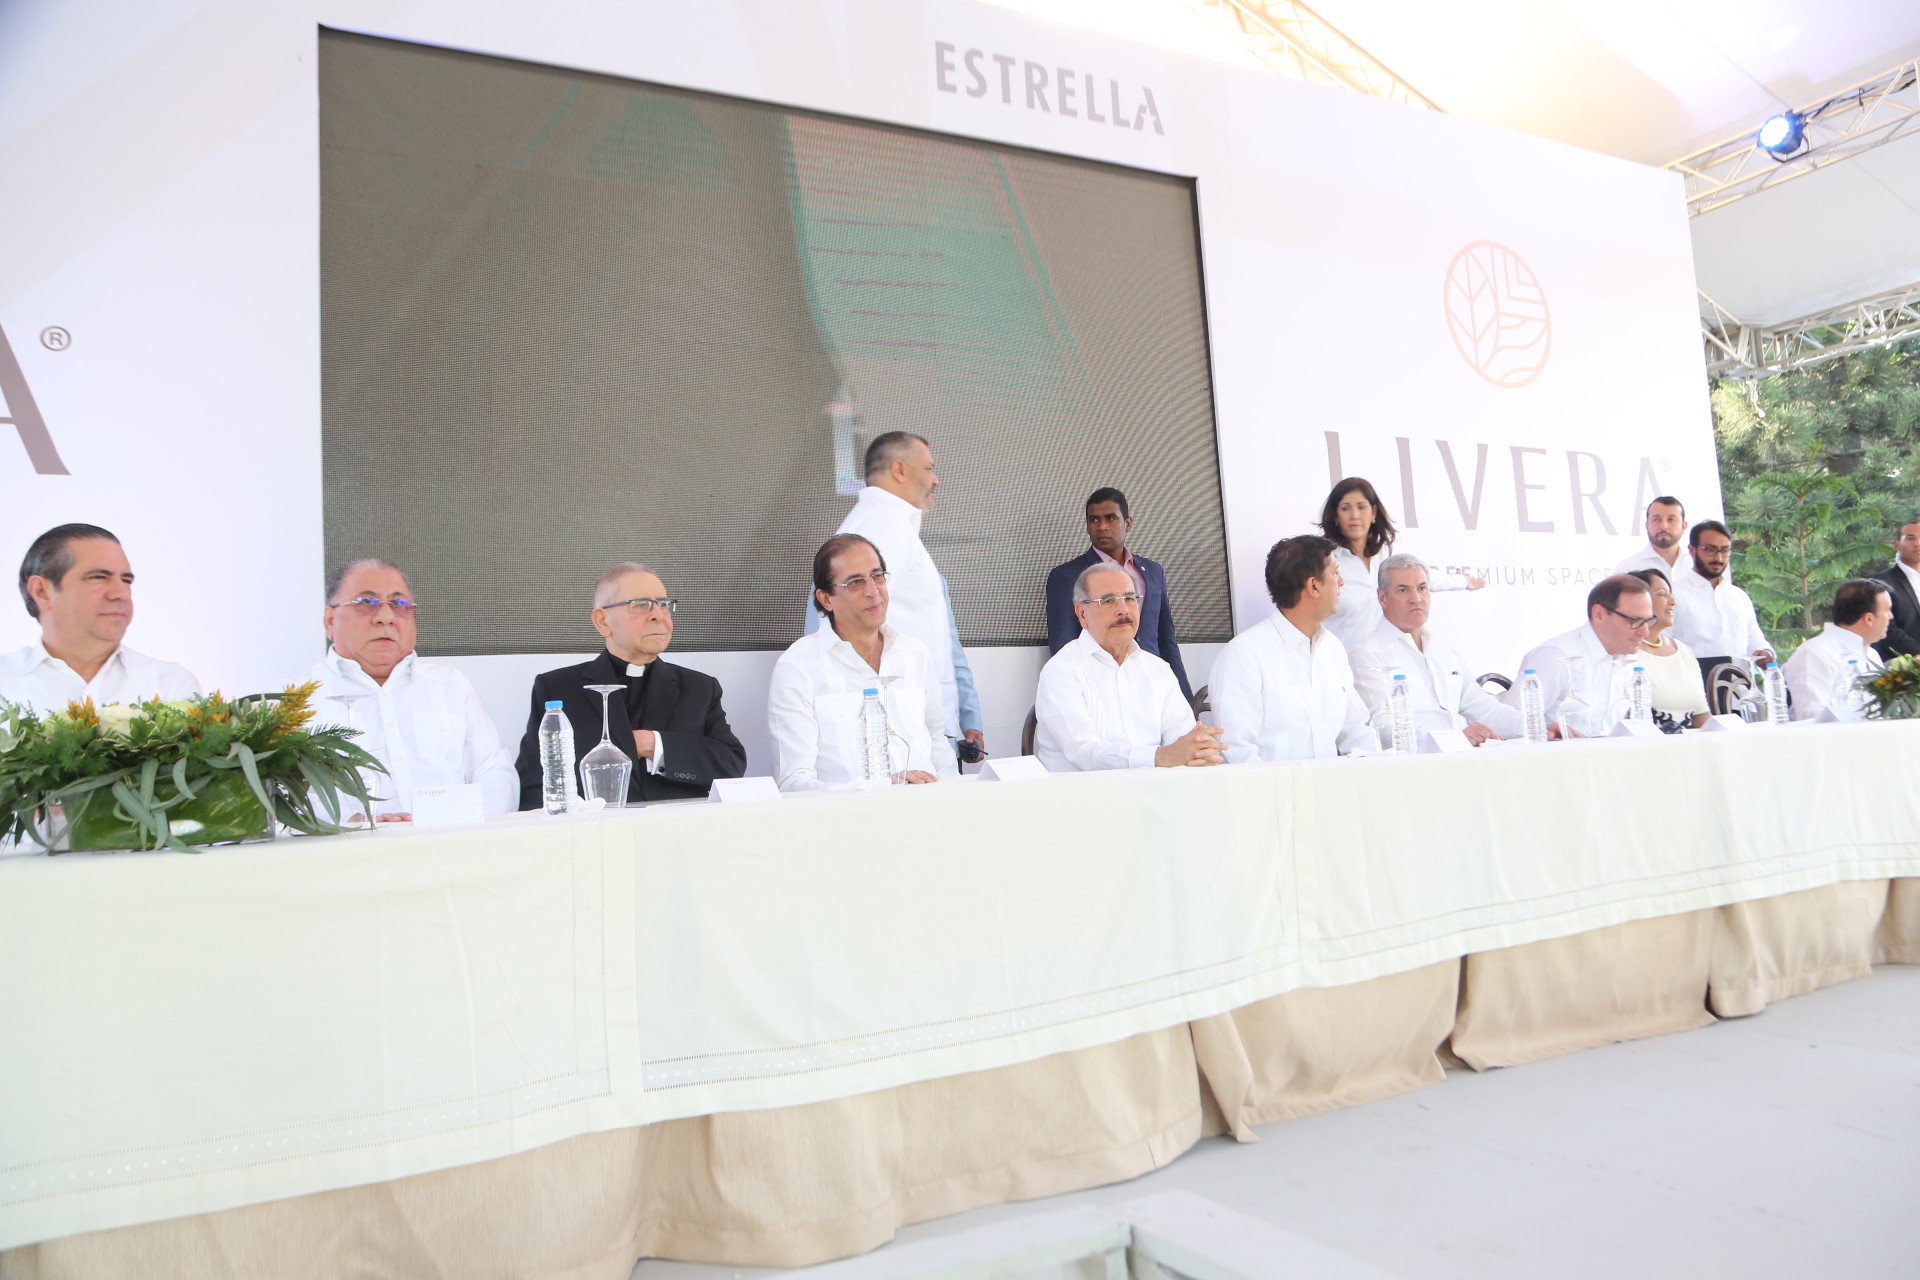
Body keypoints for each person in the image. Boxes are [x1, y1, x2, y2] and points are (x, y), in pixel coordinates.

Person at [806, 432, 984, 762]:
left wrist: (963, 715)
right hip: (895, 734)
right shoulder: (881, 524)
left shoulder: (887, 523)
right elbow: (842, 624)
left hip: (910, 729)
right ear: (900, 469)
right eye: (929, 468)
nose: (936, 479)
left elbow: (941, 637)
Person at [514, 563, 746, 807]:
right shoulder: (558, 688)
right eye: (640, 604)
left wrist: (653, 745)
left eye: (663, 604)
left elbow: (731, 765)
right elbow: (534, 788)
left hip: (677, 828)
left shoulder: (699, 688)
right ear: (603, 621)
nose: (658, 615)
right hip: (595, 829)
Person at [305, 559, 516, 821]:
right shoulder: (292, 699)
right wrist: (349, 824)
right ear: (330, 620)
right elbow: (277, 796)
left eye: (399, 604)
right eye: (367, 602)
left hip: (449, 841)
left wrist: (453, 824)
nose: (386, 617)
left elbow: (496, 772)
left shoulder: (451, 685)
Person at [770, 534, 955, 790]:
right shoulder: (798, 667)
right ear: (826, 599)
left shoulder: (915, 654)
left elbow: (937, 742)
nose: (873, 591)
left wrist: (955, 792)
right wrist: (878, 787)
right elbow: (792, 783)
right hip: (846, 813)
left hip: (930, 806)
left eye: (877, 576)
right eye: (855, 582)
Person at [1033, 563, 1222, 772]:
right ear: (1082, 614)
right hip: (1084, 791)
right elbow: (1083, 752)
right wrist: (1160, 757)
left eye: (1130, 599)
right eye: (1108, 601)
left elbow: (1182, 738)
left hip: (1155, 789)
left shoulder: (1158, 670)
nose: (1123, 610)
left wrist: (1197, 751)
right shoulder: (1061, 671)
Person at [1, 523, 199, 715]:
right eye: (98, 577)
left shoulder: (171, 685)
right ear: (42, 592)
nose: (121, 593)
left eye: (126, 580)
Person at [1211, 535, 1378, 762]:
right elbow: (1236, 750)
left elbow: (1356, 731)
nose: (1342, 582)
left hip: (1334, 782)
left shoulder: (1333, 649)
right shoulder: (1243, 654)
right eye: (1335, 573)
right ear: (1313, 586)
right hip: (1270, 784)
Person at [1349, 553, 1522, 745]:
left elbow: (1485, 709)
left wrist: (1534, 726)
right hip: (1418, 761)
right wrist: (1454, 739)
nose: (1416, 599)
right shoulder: (1367, 654)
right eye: (1403, 590)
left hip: (1465, 756)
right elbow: (1384, 725)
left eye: (1422, 588)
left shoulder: (1444, 653)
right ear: (1382, 598)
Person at [1044, 487, 1192, 700]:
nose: (1102, 526)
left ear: (1128, 523)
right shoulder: (1067, 576)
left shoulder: (1152, 572)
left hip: (1152, 685)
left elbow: (1166, 638)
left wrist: (1184, 696)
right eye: (1094, 520)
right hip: (1102, 689)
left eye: (1110, 518)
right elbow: (1063, 644)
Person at [1317, 477, 1484, 650]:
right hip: (1342, 661)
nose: (1354, 515)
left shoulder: (1385, 554)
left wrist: (1462, 581)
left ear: (1373, 513)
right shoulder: (1326, 562)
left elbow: (1421, 578)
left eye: (1361, 507)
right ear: (1335, 516)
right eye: (1345, 508)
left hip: (1385, 659)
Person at [1503, 574, 1657, 737]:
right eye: (1634, 621)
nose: (1645, 632)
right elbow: (1509, 725)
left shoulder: (1632, 662)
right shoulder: (1557, 656)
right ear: (1599, 614)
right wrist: (1549, 735)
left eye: (1648, 621)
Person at [1668, 520, 1772, 687]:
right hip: (1692, 695)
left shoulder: (1739, 597)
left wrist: (1764, 653)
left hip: (1740, 695)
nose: (1718, 557)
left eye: (1725, 550)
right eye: (1710, 549)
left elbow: (1755, 640)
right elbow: (1661, 648)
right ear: (1692, 550)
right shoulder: (1673, 595)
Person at [1783, 579, 1890, 720]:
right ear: (1868, 618)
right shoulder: (1814, 653)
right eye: (1887, 611)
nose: (1891, 616)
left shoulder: (1871, 654)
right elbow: (1811, 716)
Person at [1626, 568, 1710, 729]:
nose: (1673, 601)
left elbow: (1702, 716)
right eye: (1662, 594)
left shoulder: (1683, 650)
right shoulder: (1625, 653)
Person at [1870, 519, 1920, 661]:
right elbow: (1886, 628)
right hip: (1899, 666)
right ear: (1897, 544)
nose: (1918, 543)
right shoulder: (1880, 582)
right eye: (1910, 538)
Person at [1614, 496, 1691, 582]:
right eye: (1656, 519)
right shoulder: (1626, 569)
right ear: (1647, 526)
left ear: (1684, 526)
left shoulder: (1696, 565)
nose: (1663, 526)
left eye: (1671, 519)